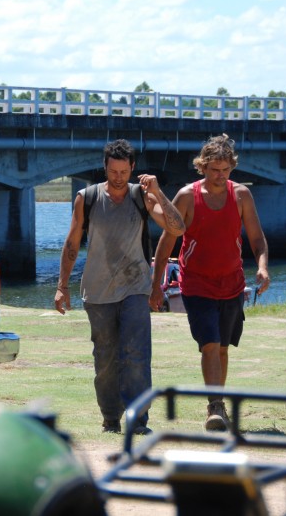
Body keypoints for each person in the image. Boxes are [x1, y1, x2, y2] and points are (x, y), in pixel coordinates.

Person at [55, 139, 185, 435]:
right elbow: (72, 242)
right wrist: (62, 285)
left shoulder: (142, 197)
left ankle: (138, 418)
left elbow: (177, 228)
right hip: (97, 292)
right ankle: (110, 417)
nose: (118, 177)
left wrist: (159, 192)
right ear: (105, 168)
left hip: (135, 287)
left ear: (132, 169)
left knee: (136, 353)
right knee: (106, 359)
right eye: (113, 171)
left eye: (124, 172)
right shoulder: (86, 198)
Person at [150, 133, 270, 432]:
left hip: (232, 283)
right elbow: (167, 243)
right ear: (202, 167)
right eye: (214, 169)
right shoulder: (187, 196)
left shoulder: (241, 195)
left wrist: (263, 267)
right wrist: (155, 286)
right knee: (210, 345)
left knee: (224, 348)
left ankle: (219, 403)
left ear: (232, 168)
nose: (219, 175)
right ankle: (214, 406)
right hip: (197, 284)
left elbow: (256, 238)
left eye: (225, 170)